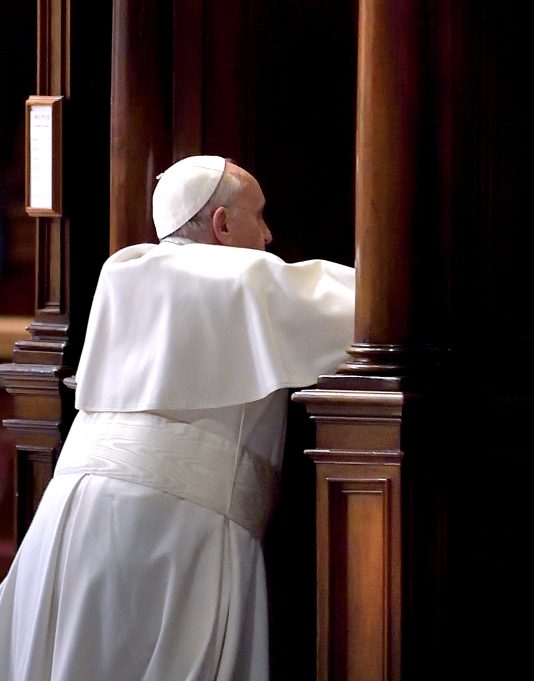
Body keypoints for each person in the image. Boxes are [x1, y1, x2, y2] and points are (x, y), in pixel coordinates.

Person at [0, 155, 356, 680]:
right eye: (259, 216)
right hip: (174, 530)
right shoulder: (247, 276)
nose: (269, 234)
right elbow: (376, 311)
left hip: (72, 514)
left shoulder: (121, 271)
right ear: (222, 224)